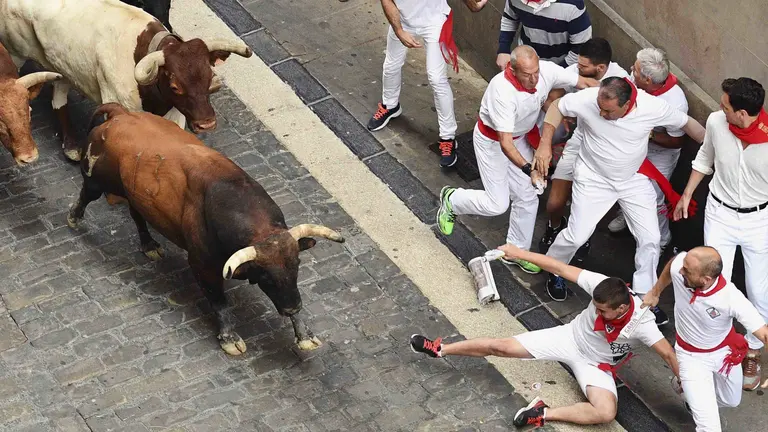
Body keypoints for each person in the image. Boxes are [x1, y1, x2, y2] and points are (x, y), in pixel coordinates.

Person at [410, 243, 679, 427]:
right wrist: (518, 253)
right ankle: (441, 349)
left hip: (596, 365)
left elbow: (668, 353)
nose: (597, 313)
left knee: (606, 413)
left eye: (602, 311)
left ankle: (543, 413)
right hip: (569, 338)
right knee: (500, 347)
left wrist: (686, 381)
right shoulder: (601, 284)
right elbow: (558, 268)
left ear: (622, 308)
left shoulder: (643, 323)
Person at [533, 77, 705, 321]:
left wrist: (714, 147)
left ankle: (645, 294)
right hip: (594, 179)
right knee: (577, 235)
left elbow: (688, 124)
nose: (601, 113)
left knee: (651, 238)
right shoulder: (589, 100)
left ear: (627, 105)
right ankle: (555, 269)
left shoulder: (651, 107)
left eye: (608, 111)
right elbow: (557, 107)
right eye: (600, 107)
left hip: (632, 180)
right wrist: (544, 144)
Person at [435, 46, 597, 275]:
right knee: (496, 204)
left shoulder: (546, 72)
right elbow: (505, 143)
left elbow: (584, 83)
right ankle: (453, 199)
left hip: (520, 137)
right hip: (493, 142)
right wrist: (529, 168)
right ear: (512, 69)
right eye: (527, 74)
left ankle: (516, 251)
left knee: (528, 196)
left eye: (536, 72)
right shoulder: (502, 91)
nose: (534, 79)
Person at [675, 77, 768, 390]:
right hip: (719, 213)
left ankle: (752, 351)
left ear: (742, 113)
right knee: (715, 283)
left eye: (726, 105)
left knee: (758, 288)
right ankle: (717, 346)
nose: (720, 108)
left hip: (759, 219)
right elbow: (705, 159)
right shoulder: (717, 122)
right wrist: (687, 194)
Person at [642, 246, 768, 431]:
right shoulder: (682, 268)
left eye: (687, 271)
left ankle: (689, 394)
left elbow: (763, 333)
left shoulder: (731, 298)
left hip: (724, 353)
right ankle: (694, 393)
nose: (681, 271)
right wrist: (655, 291)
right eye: (683, 267)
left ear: (706, 279)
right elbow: (673, 264)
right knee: (709, 427)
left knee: (731, 401)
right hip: (690, 357)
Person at [367, 0, 488, 168]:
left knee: (437, 79)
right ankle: (390, 106)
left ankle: (448, 138)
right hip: (402, 20)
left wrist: (473, 5)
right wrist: (399, 30)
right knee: (391, 65)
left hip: (435, 21)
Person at [539, 37, 629, 259]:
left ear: (600, 68)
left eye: (583, 66)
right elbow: (552, 99)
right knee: (555, 202)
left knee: (587, 205)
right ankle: (554, 225)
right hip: (579, 140)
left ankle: (581, 236)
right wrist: (562, 113)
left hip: (606, 149)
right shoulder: (575, 72)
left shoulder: (623, 82)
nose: (577, 68)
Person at [608, 48, 689, 256]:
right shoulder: (634, 82)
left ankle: (662, 239)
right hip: (632, 145)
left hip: (659, 154)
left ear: (647, 79)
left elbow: (678, 140)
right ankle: (627, 217)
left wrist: (649, 135)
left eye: (634, 70)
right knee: (624, 183)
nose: (630, 71)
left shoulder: (675, 102)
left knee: (653, 197)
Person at [496, 0, 592, 69]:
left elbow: (581, 47)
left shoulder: (573, 5)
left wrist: (556, 75)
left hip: (561, 67)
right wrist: (503, 50)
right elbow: (509, 18)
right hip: (525, 64)